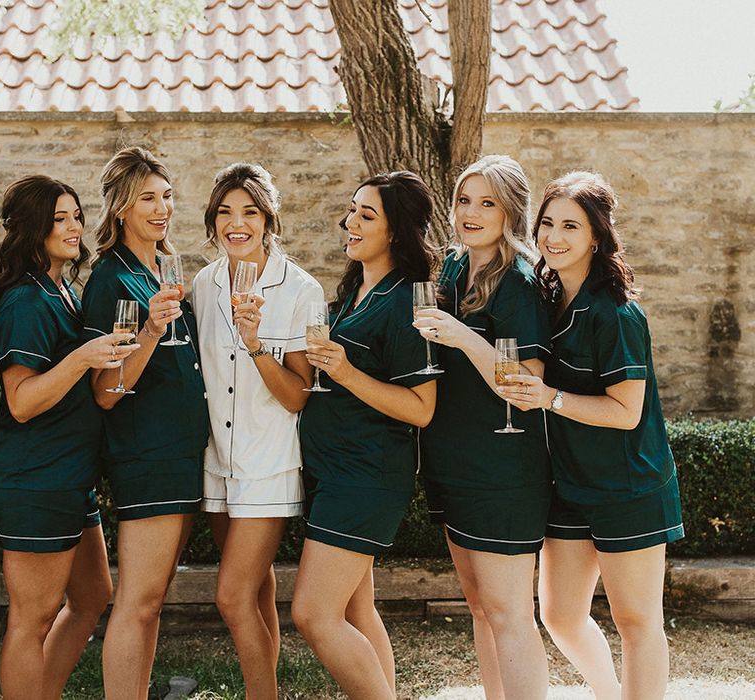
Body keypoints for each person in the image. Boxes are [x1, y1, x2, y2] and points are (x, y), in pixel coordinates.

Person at [499, 171, 684, 700]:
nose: (553, 237)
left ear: (597, 237)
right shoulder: (545, 300)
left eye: (570, 227)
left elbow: (628, 412)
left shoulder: (617, 313)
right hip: (569, 485)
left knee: (637, 621)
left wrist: (548, 399)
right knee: (558, 615)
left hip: (629, 486)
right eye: (547, 224)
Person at [0, 176, 135, 699]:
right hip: (35, 480)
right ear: (32, 228)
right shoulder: (27, 300)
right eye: (59, 219)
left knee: (93, 594)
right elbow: (22, 401)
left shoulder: (64, 289)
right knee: (32, 618)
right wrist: (82, 359)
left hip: (70, 478)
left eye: (75, 215)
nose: (73, 227)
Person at [291, 171, 438, 699]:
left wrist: (347, 371)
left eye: (366, 215)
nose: (349, 223)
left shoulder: (407, 304)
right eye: (352, 210)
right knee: (356, 608)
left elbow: (422, 408)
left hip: (366, 477)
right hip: (333, 472)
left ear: (396, 231)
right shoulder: (357, 289)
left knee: (313, 613)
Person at [413, 155, 551, 699]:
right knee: (479, 608)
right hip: (453, 462)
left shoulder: (519, 280)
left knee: (510, 613)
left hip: (503, 473)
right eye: (464, 200)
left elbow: (526, 382)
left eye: (486, 202)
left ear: (511, 212)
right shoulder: (452, 265)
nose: (471, 212)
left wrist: (461, 336)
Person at [81, 147, 209, 700]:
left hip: (183, 453)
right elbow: (106, 391)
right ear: (120, 209)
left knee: (153, 599)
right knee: (138, 599)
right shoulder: (109, 280)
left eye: (166, 196)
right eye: (147, 199)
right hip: (147, 456)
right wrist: (154, 331)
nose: (161, 209)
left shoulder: (164, 265)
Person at [193, 163, 323, 697]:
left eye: (249, 211)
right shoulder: (203, 283)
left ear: (269, 219)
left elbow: (298, 395)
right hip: (217, 462)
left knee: (230, 596)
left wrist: (256, 345)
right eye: (224, 212)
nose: (236, 223)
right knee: (256, 591)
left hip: (268, 464)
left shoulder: (301, 290)